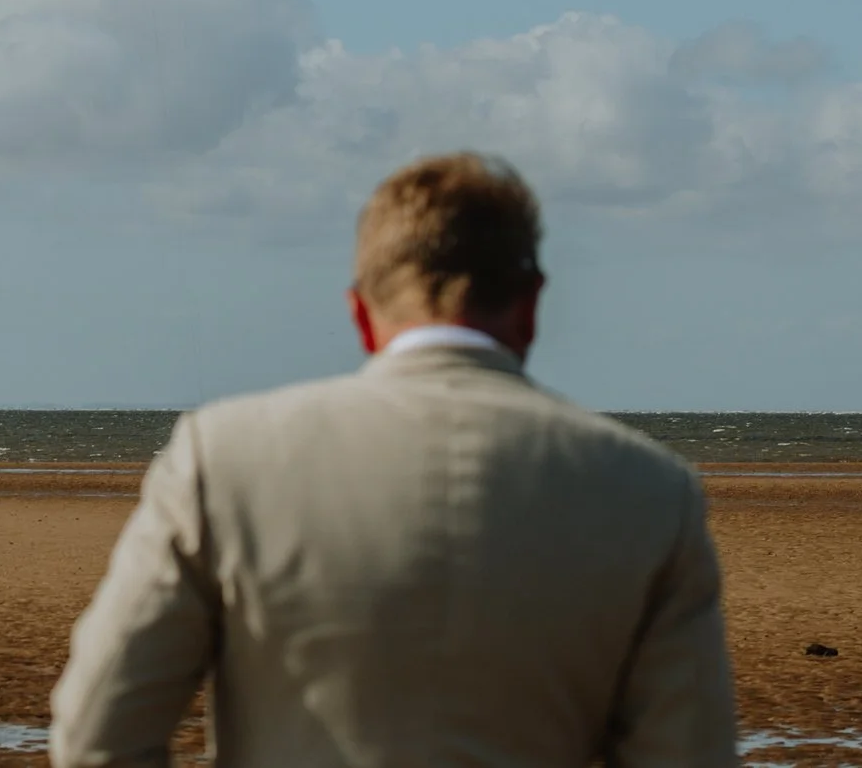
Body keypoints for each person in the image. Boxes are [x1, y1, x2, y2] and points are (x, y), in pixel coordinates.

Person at [51, 153, 738, 768]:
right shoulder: (650, 494)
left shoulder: (220, 458)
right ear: (530, 306)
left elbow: (96, 736)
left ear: (360, 312)